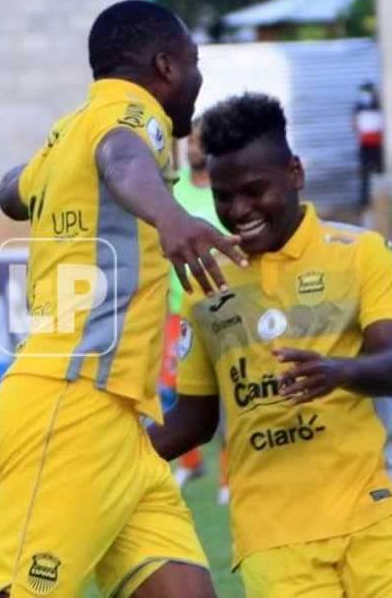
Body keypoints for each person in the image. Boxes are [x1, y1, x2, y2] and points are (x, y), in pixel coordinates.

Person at [0, 0, 245, 598]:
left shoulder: (73, 129)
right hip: (70, 408)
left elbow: (8, 193)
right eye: (194, 62)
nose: (199, 78)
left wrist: (50, 166)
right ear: (165, 67)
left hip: (121, 423)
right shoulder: (136, 116)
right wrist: (170, 216)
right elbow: (124, 157)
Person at [150, 92, 392, 597]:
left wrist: (337, 371)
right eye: (223, 196)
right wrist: (106, 456)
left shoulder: (363, 252)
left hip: (380, 514)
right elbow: (194, 419)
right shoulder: (205, 286)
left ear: (295, 173)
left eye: (254, 191)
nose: (239, 211)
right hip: (273, 538)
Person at [161, 118, 229, 500]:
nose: (192, 149)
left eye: (199, 143)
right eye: (189, 143)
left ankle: (229, 479)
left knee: (229, 393)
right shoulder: (175, 190)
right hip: (179, 307)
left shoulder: (225, 189)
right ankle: (190, 461)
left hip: (223, 304)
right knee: (172, 388)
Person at [353, 81, 384, 206]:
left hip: (378, 145)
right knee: (365, 174)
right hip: (364, 145)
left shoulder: (379, 106)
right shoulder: (358, 108)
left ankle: (380, 199)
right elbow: (354, 124)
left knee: (379, 173)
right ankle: (364, 201)